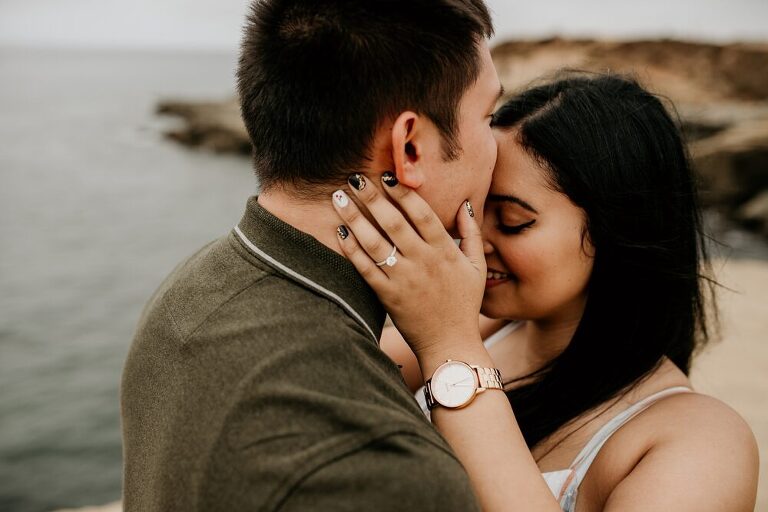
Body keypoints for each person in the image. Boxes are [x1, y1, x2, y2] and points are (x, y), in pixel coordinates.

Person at [120, 1, 503, 511]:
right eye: (490, 117)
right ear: (410, 148)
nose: (499, 145)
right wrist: (454, 347)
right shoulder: (385, 472)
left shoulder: (187, 291)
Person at [332, 73, 760, 511]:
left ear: (618, 231)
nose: (472, 240)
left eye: (513, 221)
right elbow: (332, 381)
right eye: (471, 210)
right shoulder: (484, 327)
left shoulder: (703, 445)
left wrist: (452, 352)